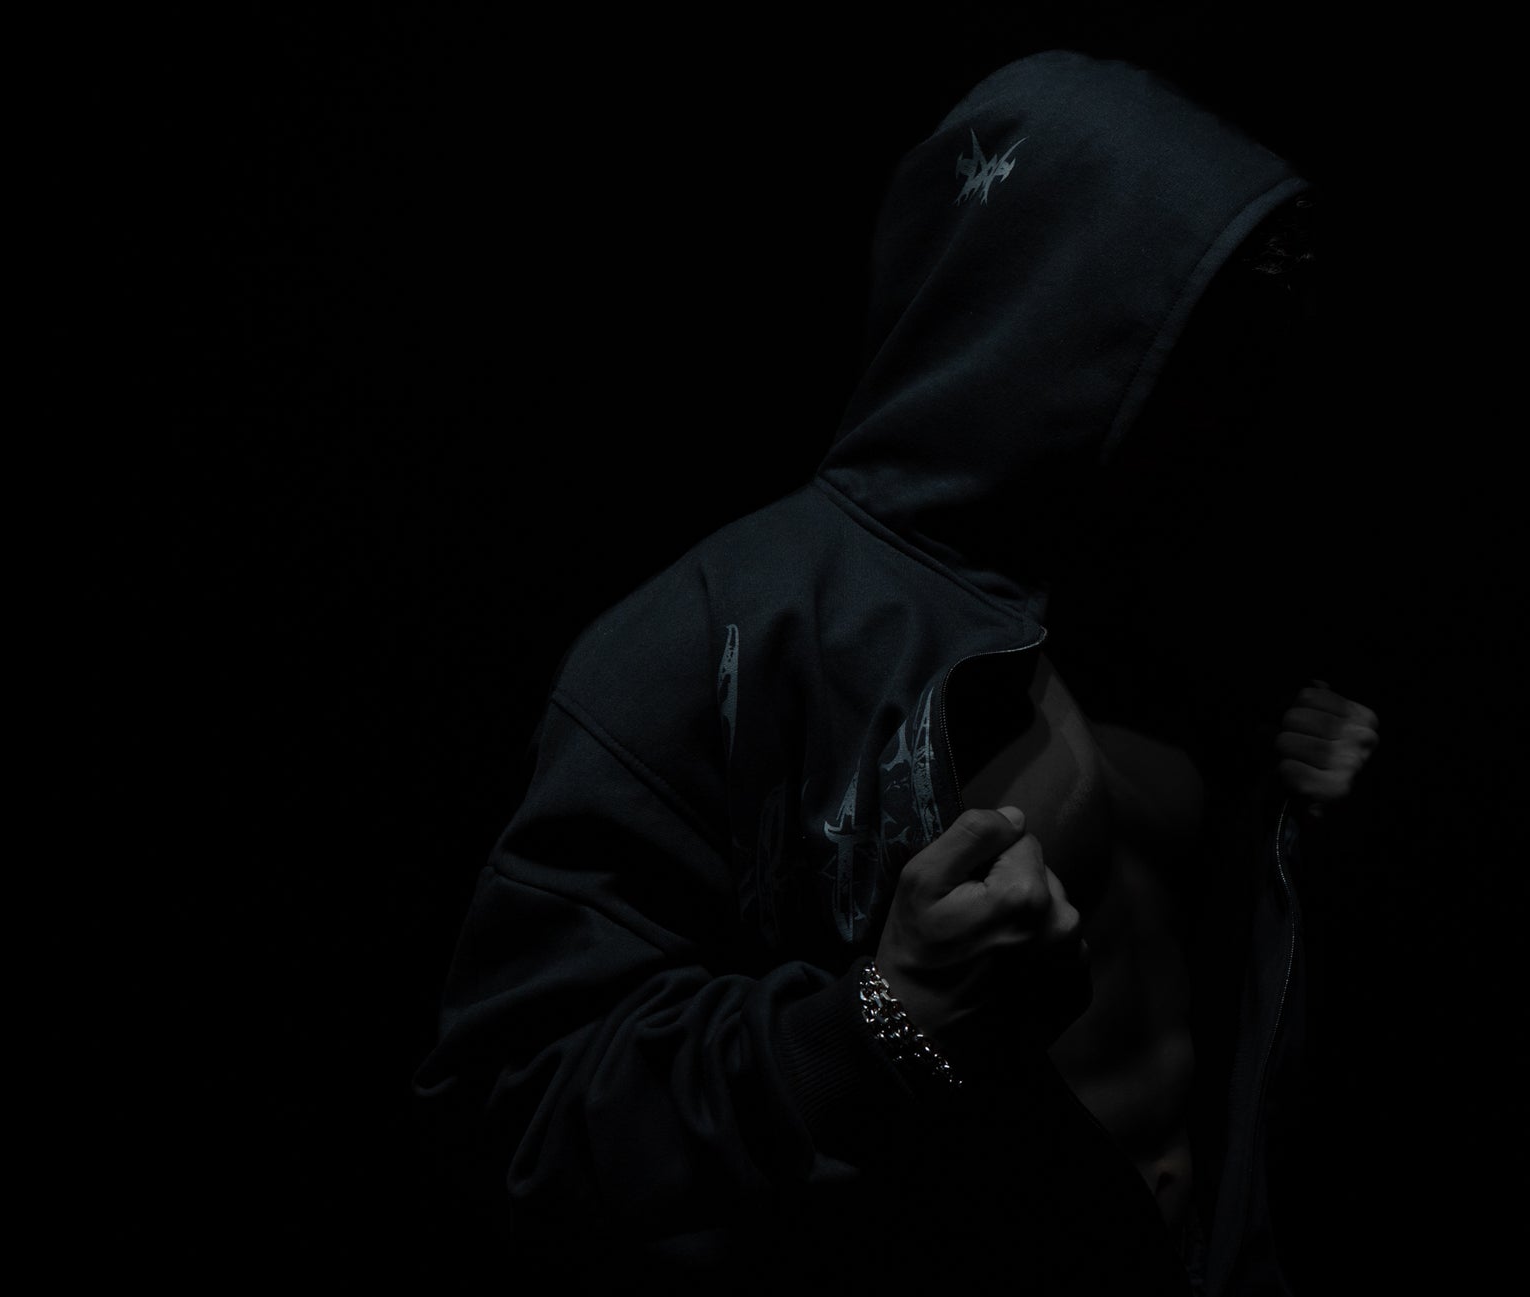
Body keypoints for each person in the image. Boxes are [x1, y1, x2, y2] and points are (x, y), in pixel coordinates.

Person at [415, 49, 1378, 1295]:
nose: (1220, 392)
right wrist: (879, 1020)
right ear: (1046, 310)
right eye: (1176, 331)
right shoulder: (723, 631)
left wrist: (1320, 845)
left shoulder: (1190, 628)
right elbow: (510, 1109)